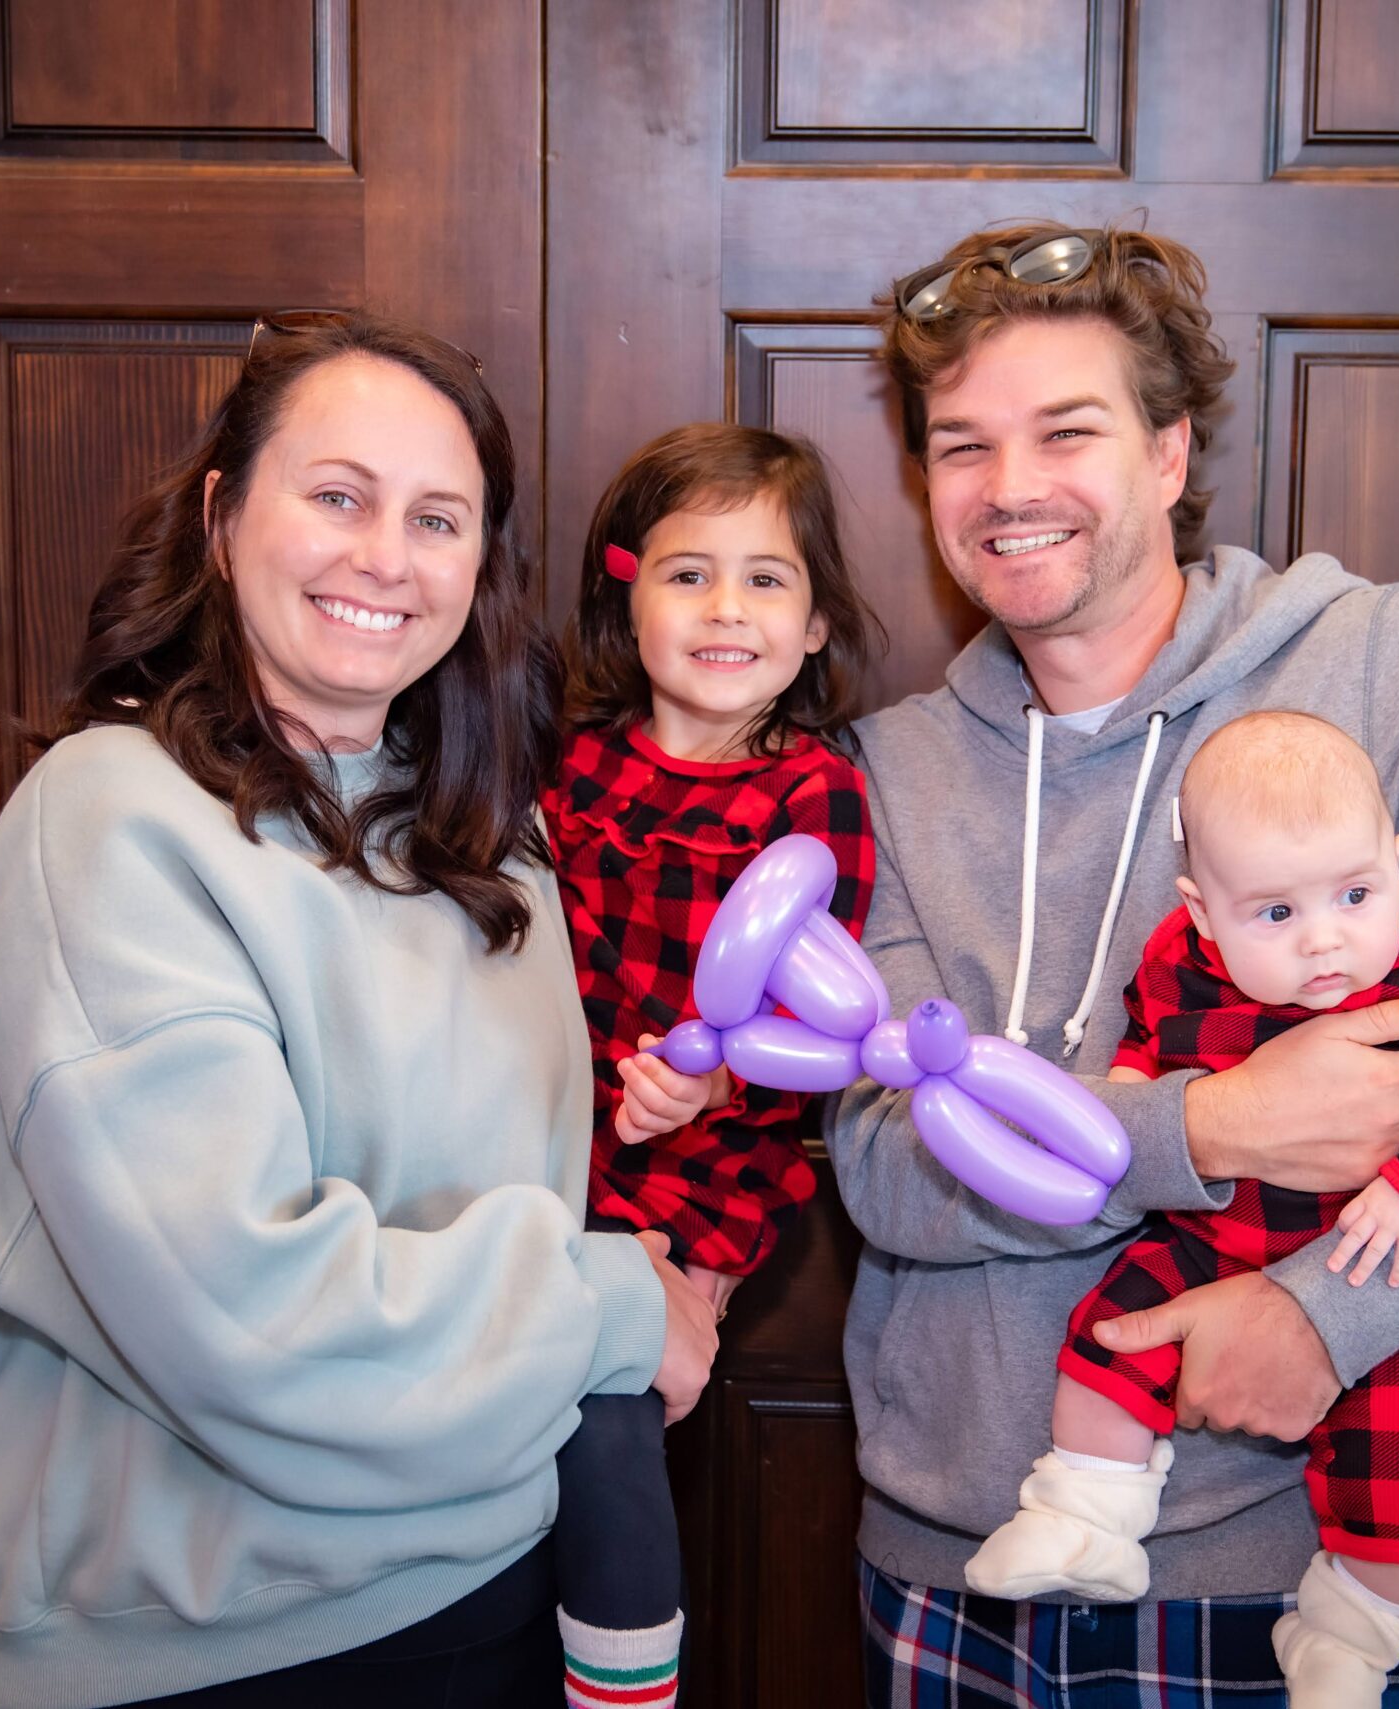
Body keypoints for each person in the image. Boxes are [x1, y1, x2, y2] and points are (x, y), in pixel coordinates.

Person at [829, 223, 1399, 1705]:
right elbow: (886, 1169)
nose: (1009, 486)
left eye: (1067, 430)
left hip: (1291, 1586)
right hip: (953, 1563)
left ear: (1168, 452)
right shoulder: (891, 770)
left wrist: (1332, 1314)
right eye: (960, 444)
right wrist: (1201, 1130)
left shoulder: (1391, 667)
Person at [0, 312, 719, 1709]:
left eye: (439, 517)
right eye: (338, 495)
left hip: (487, 1584)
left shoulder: (488, 841)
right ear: (220, 517)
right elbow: (248, 1314)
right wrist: (612, 1305)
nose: (387, 556)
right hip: (212, 1651)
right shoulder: (112, 820)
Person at [966, 712, 1399, 1709]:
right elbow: (1147, 1039)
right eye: (1274, 914)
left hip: (1379, 1269)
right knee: (1107, 1342)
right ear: (1202, 912)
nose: (1326, 937)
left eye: (1356, 893)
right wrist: (1132, 1088)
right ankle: (1084, 1511)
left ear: (1395, 863)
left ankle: (1351, 1637)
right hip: (1212, 1243)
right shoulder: (1177, 961)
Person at [541, 423, 880, 1708]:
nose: (725, 607)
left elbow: (824, 1020)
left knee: (614, 1401)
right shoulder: (566, 763)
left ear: (814, 628)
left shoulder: (809, 793)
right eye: (687, 574)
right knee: (519, 1417)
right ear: (625, 604)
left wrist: (714, 1085)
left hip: (697, 1167)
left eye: (766, 578)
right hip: (546, 1148)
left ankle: (627, 1679)